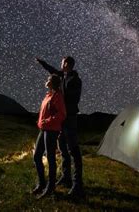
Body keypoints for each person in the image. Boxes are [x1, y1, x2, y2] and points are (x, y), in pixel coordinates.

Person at [36, 56, 84, 198]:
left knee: (73, 150)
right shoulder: (63, 76)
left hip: (69, 118)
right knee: (62, 147)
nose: (60, 66)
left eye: (62, 63)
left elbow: (74, 99)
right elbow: (52, 71)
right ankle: (66, 176)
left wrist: (60, 96)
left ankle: (78, 184)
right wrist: (43, 63)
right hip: (62, 119)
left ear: (67, 64)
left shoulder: (75, 80)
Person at [32, 74, 67, 199]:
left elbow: (62, 114)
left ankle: (50, 187)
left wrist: (47, 121)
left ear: (53, 82)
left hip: (51, 130)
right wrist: (41, 121)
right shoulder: (48, 95)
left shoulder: (58, 96)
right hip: (44, 129)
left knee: (50, 158)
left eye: (48, 79)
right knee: (37, 156)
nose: (46, 81)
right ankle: (42, 184)